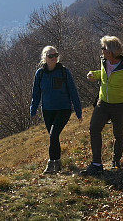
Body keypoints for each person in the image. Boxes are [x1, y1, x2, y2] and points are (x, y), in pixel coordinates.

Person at [80, 36, 123, 176]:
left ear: (111, 51)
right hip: (103, 103)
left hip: (120, 106)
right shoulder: (104, 61)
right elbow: (105, 74)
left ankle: (116, 161)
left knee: (118, 134)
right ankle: (96, 164)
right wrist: (95, 74)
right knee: (94, 129)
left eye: (104, 48)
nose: (101, 51)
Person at [30, 45, 82, 174]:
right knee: (54, 137)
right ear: (45, 58)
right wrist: (33, 109)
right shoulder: (40, 73)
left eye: (55, 55)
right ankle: (57, 163)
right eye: (50, 56)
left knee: (53, 135)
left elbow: (73, 92)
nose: (54, 58)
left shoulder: (64, 72)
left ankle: (51, 163)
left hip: (63, 109)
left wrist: (78, 111)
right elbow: (36, 93)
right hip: (47, 110)